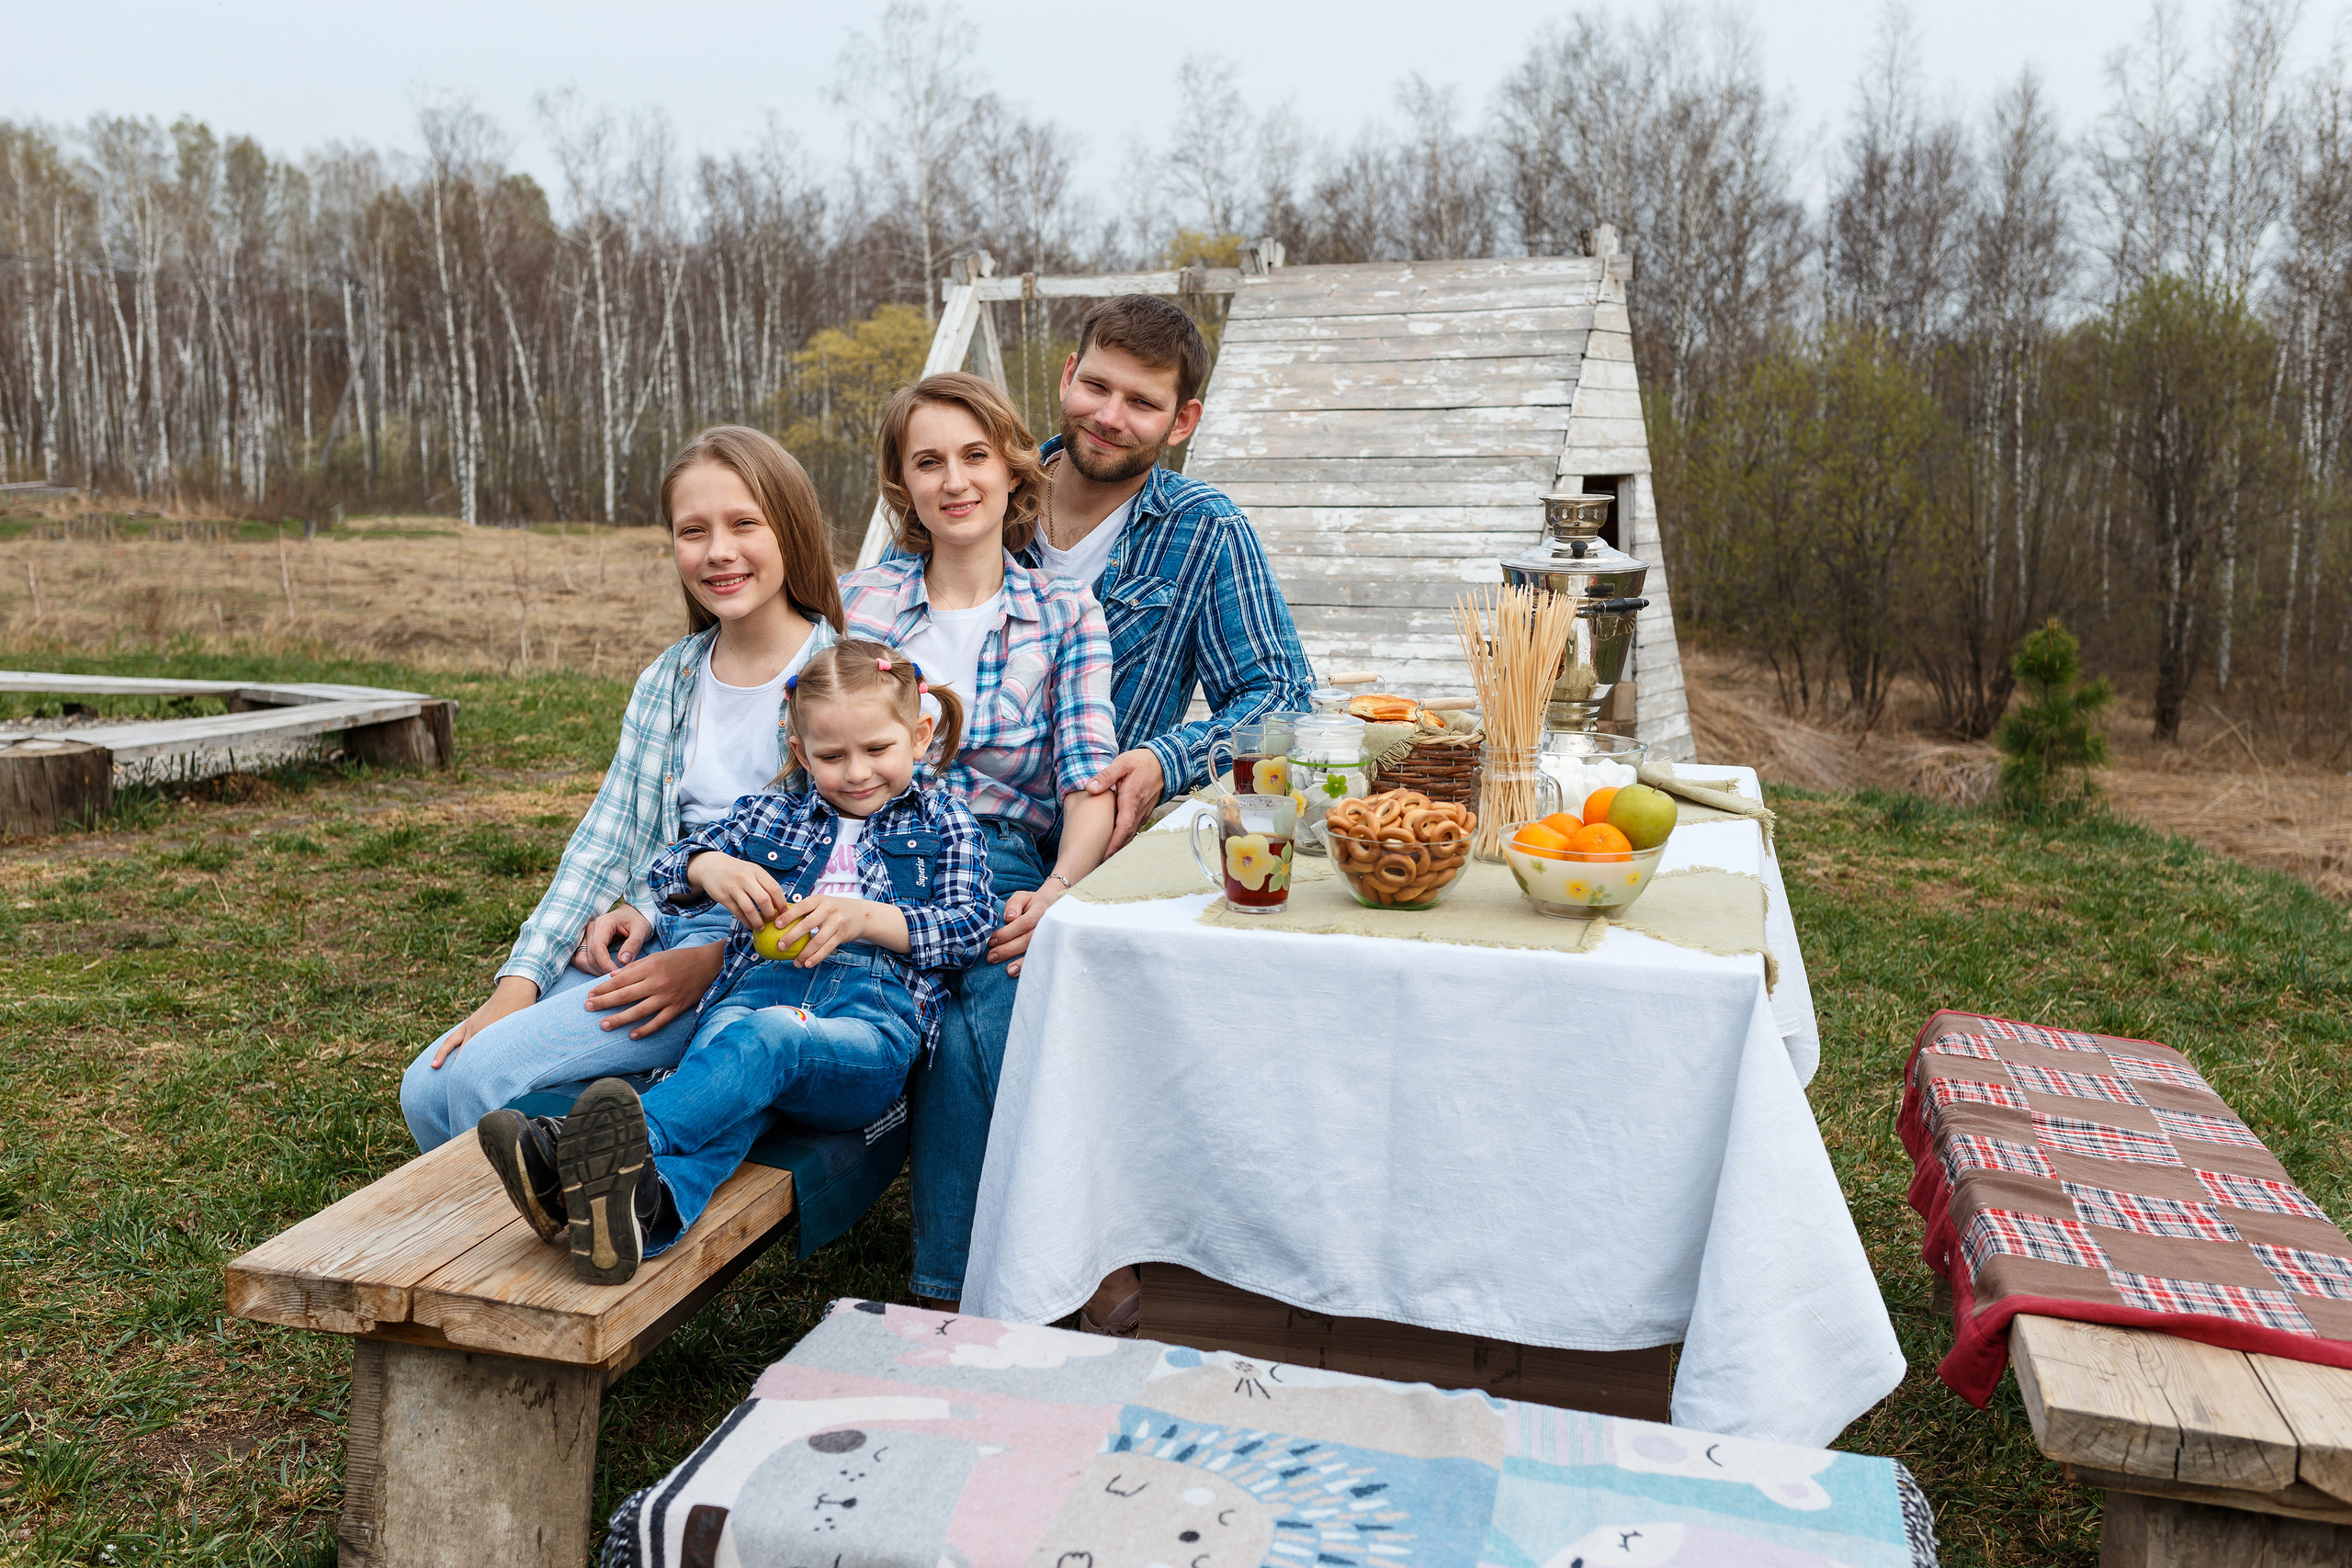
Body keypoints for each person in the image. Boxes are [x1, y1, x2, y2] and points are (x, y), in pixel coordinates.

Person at [891, 299, 1319, 1329]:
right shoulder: (978, 482)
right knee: (966, 1006)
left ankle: (979, 1289)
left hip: (1090, 830)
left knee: (987, 998)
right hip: (942, 819)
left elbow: (1284, 698)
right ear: (1066, 374)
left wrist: (1166, 755)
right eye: (1097, 386)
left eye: (1143, 402)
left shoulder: (1200, 532)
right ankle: (1043, 1275)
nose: (1111, 415)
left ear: (1183, 420)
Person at [474, 642, 994, 1282]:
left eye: (877, 750)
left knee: (766, 1041)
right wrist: (708, 866)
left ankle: (574, 1152)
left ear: (918, 737)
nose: (857, 771)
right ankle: (634, 1206)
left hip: (869, 1027)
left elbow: (971, 926)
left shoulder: (947, 821)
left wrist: (865, 918)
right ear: (801, 752)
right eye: (831, 755)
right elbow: (664, 868)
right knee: (733, 1081)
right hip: (755, 993)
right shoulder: (769, 813)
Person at [400, 426, 842, 1152]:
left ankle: (499, 1257)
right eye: (692, 531)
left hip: (752, 964)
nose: (718, 551)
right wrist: (522, 980)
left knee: (480, 1076)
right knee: (426, 1083)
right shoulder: (672, 677)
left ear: (791, 528)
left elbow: (842, 865)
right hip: (656, 926)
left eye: (743, 524)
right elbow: (606, 839)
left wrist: (711, 959)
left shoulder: (838, 679)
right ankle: (497, 1223)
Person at [838, 370, 1122, 1310]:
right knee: (984, 1009)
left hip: (1000, 853)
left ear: (1010, 469)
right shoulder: (867, 605)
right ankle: (1070, 1262)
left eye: (972, 456)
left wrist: (1062, 888)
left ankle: (947, 1295)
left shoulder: (1066, 613)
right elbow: (819, 754)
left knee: (983, 997)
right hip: (874, 842)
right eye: (928, 462)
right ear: (902, 486)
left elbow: (1087, 778)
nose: (954, 481)